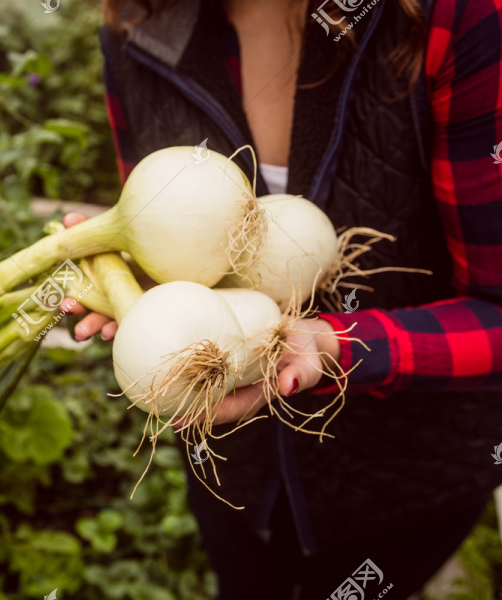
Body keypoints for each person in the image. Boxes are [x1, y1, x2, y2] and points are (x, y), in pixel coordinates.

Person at [62, 0, 502, 597]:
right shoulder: (135, 22)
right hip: (229, 471)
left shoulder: (461, 15)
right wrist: (126, 279)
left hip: (408, 479)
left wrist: (335, 345)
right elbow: (153, 239)